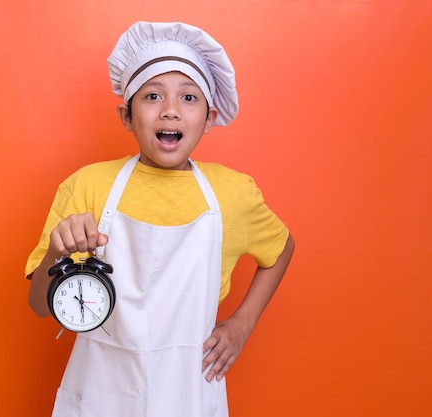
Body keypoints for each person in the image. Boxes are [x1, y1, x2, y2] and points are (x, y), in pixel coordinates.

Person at [26, 21, 295, 417]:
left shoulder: (233, 194)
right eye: (153, 95)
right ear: (126, 115)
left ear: (209, 117)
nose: (170, 110)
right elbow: (39, 306)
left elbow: (282, 248)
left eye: (189, 97)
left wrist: (242, 324)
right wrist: (56, 249)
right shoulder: (89, 186)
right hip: (102, 393)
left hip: (190, 392)